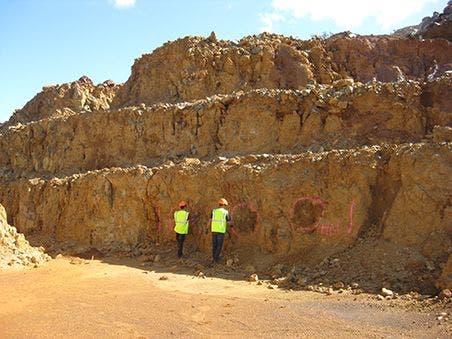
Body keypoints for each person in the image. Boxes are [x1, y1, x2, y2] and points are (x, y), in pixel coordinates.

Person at [210, 198, 232, 264]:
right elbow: (228, 221)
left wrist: (206, 228)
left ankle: (214, 258)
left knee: (214, 245)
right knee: (219, 245)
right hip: (221, 231)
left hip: (214, 230)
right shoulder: (225, 212)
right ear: (224, 205)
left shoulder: (214, 211)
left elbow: (210, 220)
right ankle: (215, 259)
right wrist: (231, 227)